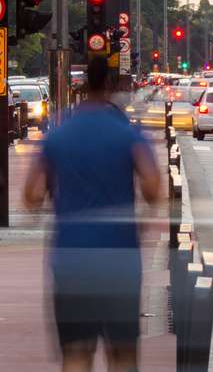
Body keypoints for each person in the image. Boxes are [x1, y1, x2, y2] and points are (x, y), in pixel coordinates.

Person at [24, 56, 161, 372]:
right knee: (123, 354)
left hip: (70, 260)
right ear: (112, 87)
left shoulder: (58, 133)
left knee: (76, 353)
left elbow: (31, 196)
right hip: (120, 261)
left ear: (82, 86)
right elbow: (153, 189)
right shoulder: (128, 134)